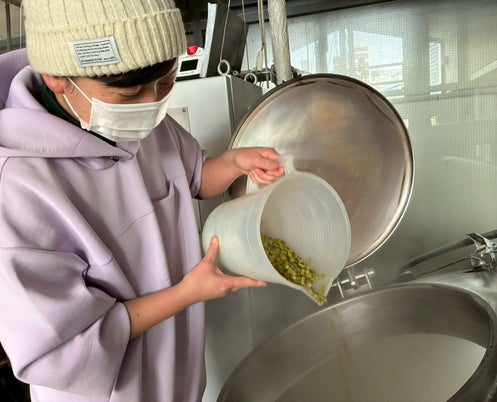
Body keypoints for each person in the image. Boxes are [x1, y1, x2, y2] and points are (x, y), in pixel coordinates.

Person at [0, 1, 285, 401]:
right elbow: (60, 349)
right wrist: (186, 293)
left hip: (179, 376)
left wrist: (233, 163)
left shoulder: (143, 120)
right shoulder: (19, 186)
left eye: (166, 84)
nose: (151, 106)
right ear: (58, 79)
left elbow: (193, 178)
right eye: (129, 93)